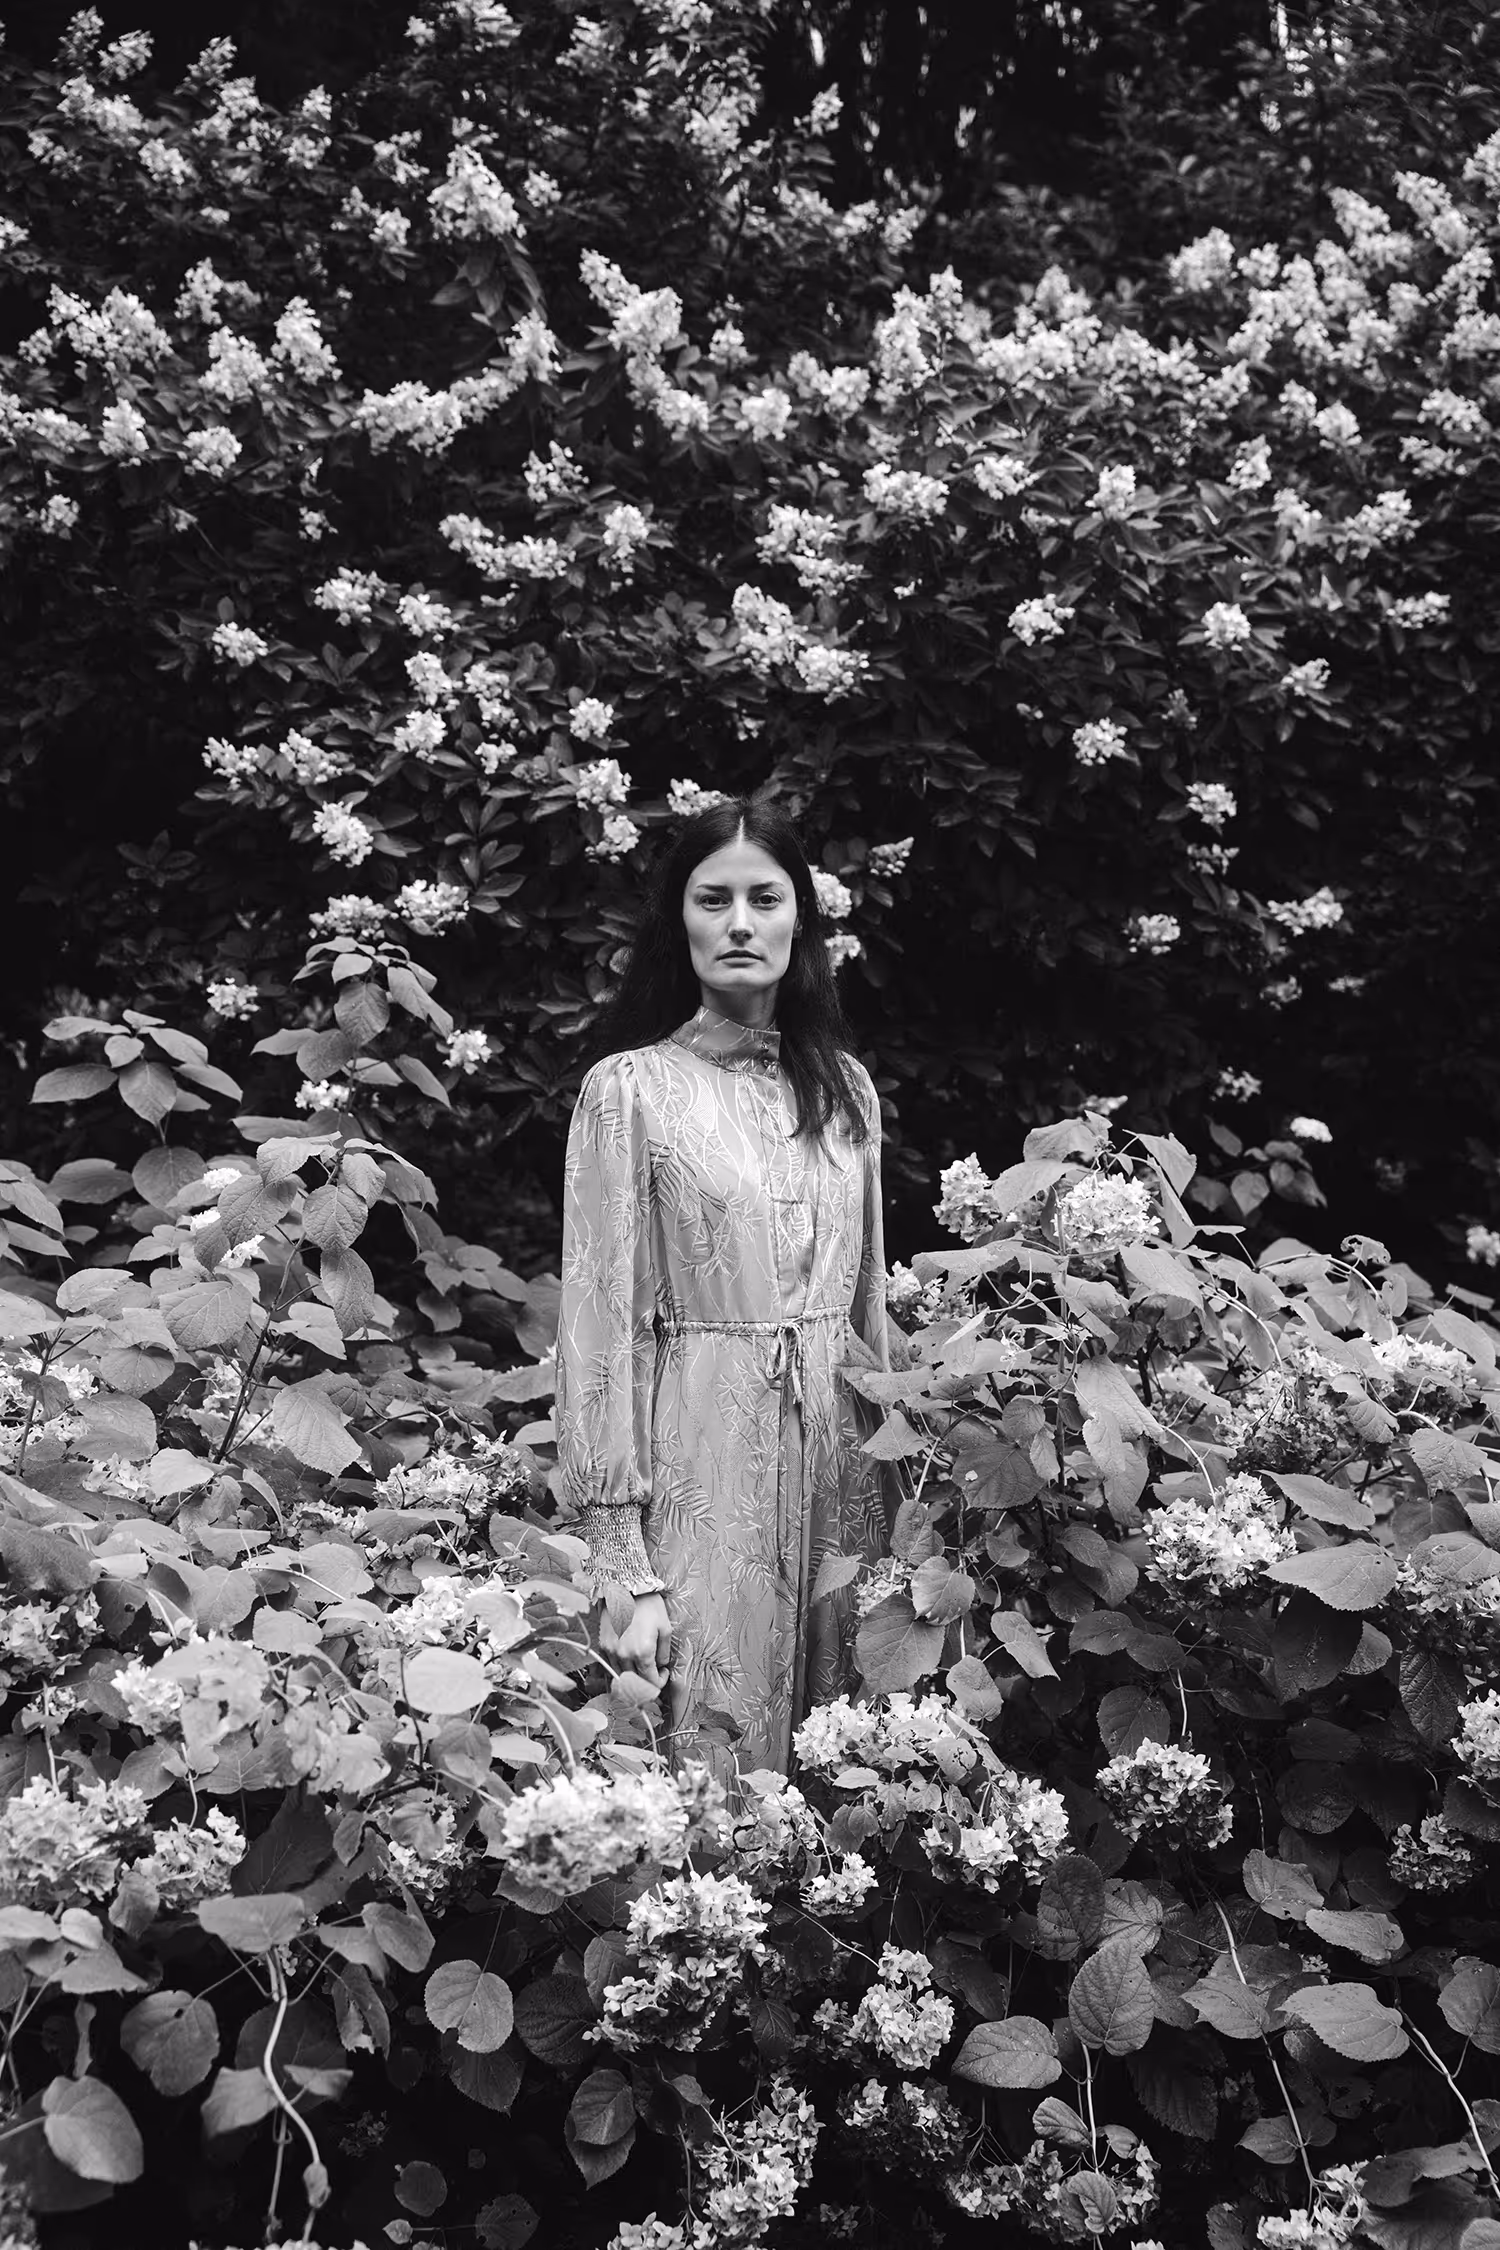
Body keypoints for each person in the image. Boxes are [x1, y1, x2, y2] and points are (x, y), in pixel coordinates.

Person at [553, 794, 895, 1782]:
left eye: (763, 898)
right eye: (713, 900)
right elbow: (598, 1322)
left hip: (844, 1485)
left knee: (848, 1774)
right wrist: (619, 1557)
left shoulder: (847, 1092)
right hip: (700, 1468)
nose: (739, 923)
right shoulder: (631, 1091)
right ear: (680, 921)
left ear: (800, 920)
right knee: (710, 1759)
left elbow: (870, 1315)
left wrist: (900, 1520)